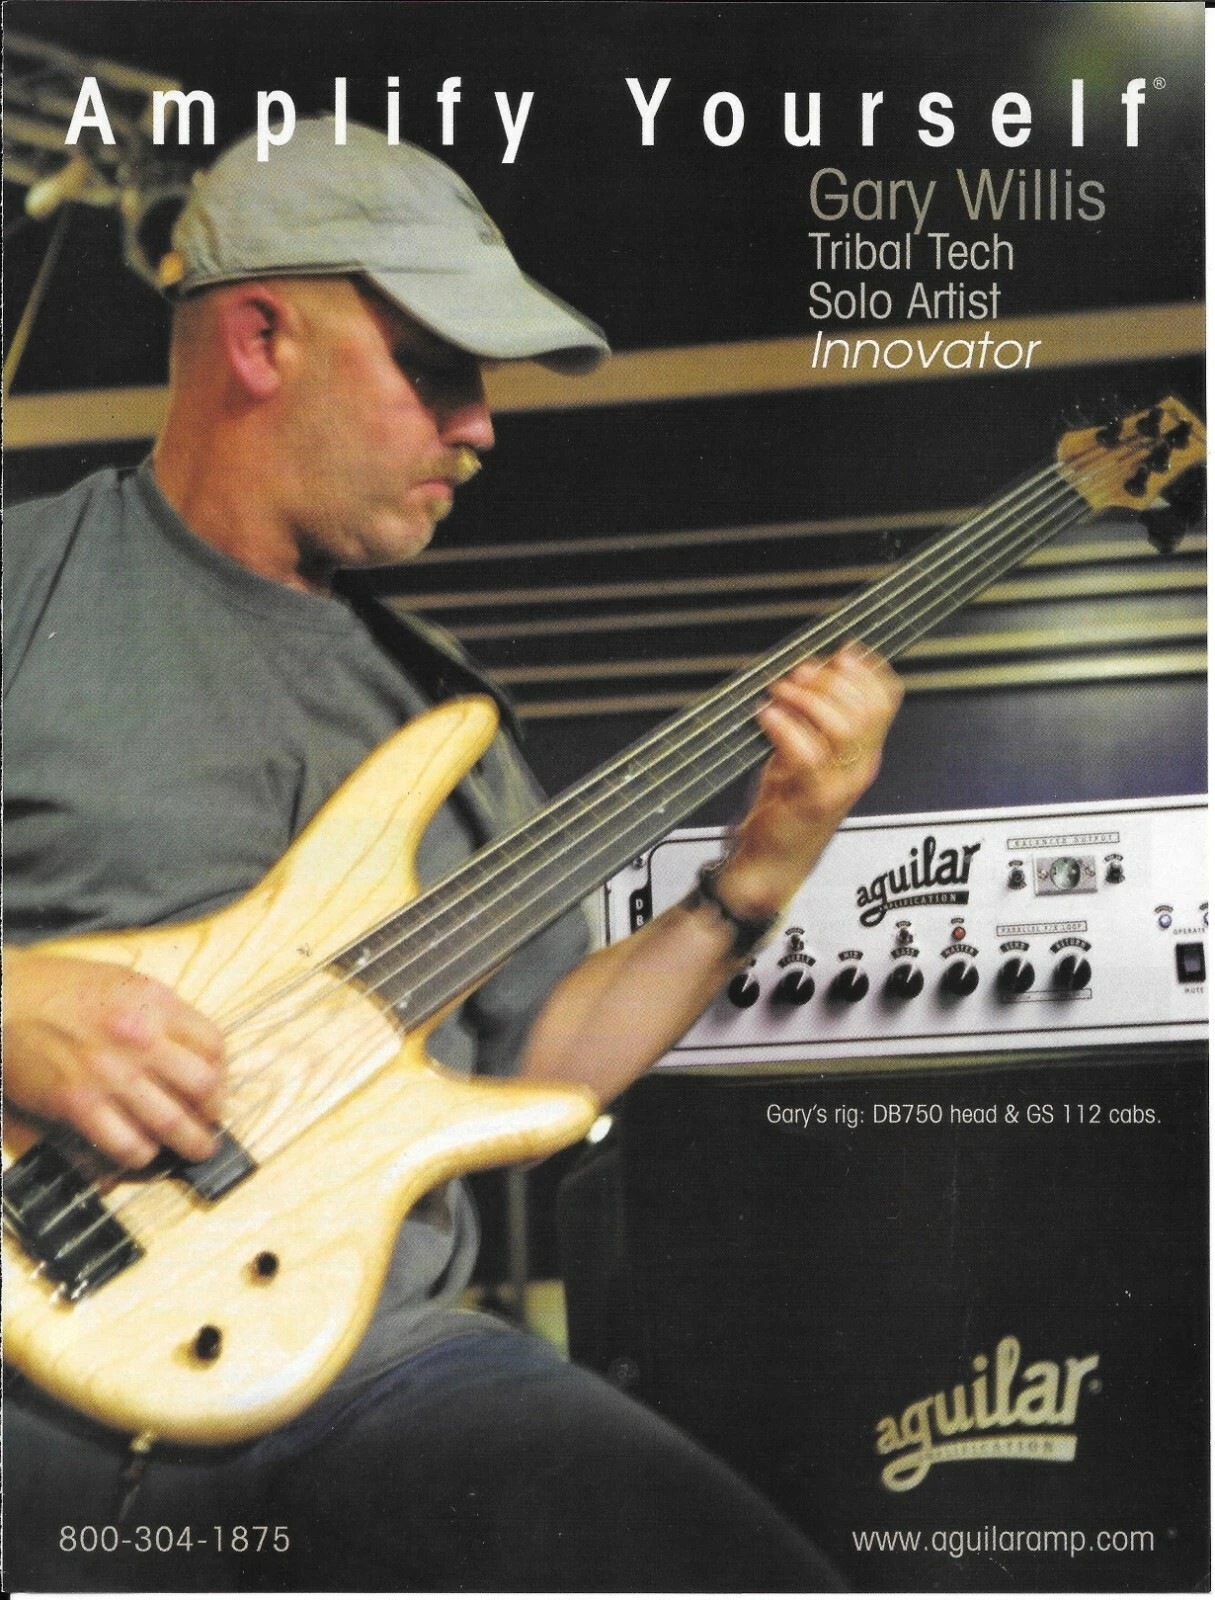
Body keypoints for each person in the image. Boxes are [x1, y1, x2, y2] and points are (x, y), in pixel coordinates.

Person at [3, 119, 902, 1592]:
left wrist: (761, 869)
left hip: (366, 1369)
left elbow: (538, 1059)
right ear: (260, 338)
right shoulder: (23, 588)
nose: (480, 427)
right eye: (435, 369)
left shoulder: (445, 712)